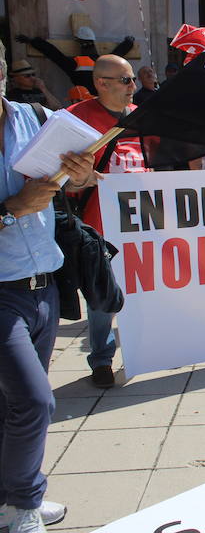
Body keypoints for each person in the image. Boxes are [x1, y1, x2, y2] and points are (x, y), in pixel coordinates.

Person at [1, 40, 95, 532]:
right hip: (2, 291)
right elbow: (21, 203)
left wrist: (80, 173)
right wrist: (13, 207)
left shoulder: (33, 117)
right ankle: (22, 504)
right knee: (35, 401)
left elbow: (73, 180)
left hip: (43, 283)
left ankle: (14, 497)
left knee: (12, 403)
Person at [67, 55, 150, 388]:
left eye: (132, 80)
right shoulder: (76, 119)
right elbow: (57, 179)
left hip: (142, 222)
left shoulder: (140, 118)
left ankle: (142, 350)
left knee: (142, 292)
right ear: (101, 83)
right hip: (98, 224)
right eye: (126, 80)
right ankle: (101, 359)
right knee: (103, 296)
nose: (133, 87)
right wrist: (82, 179)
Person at [15, 27, 134, 95]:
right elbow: (118, 54)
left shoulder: (76, 65)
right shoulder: (103, 62)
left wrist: (33, 41)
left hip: (86, 102)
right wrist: (128, 43)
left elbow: (54, 54)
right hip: (101, 101)